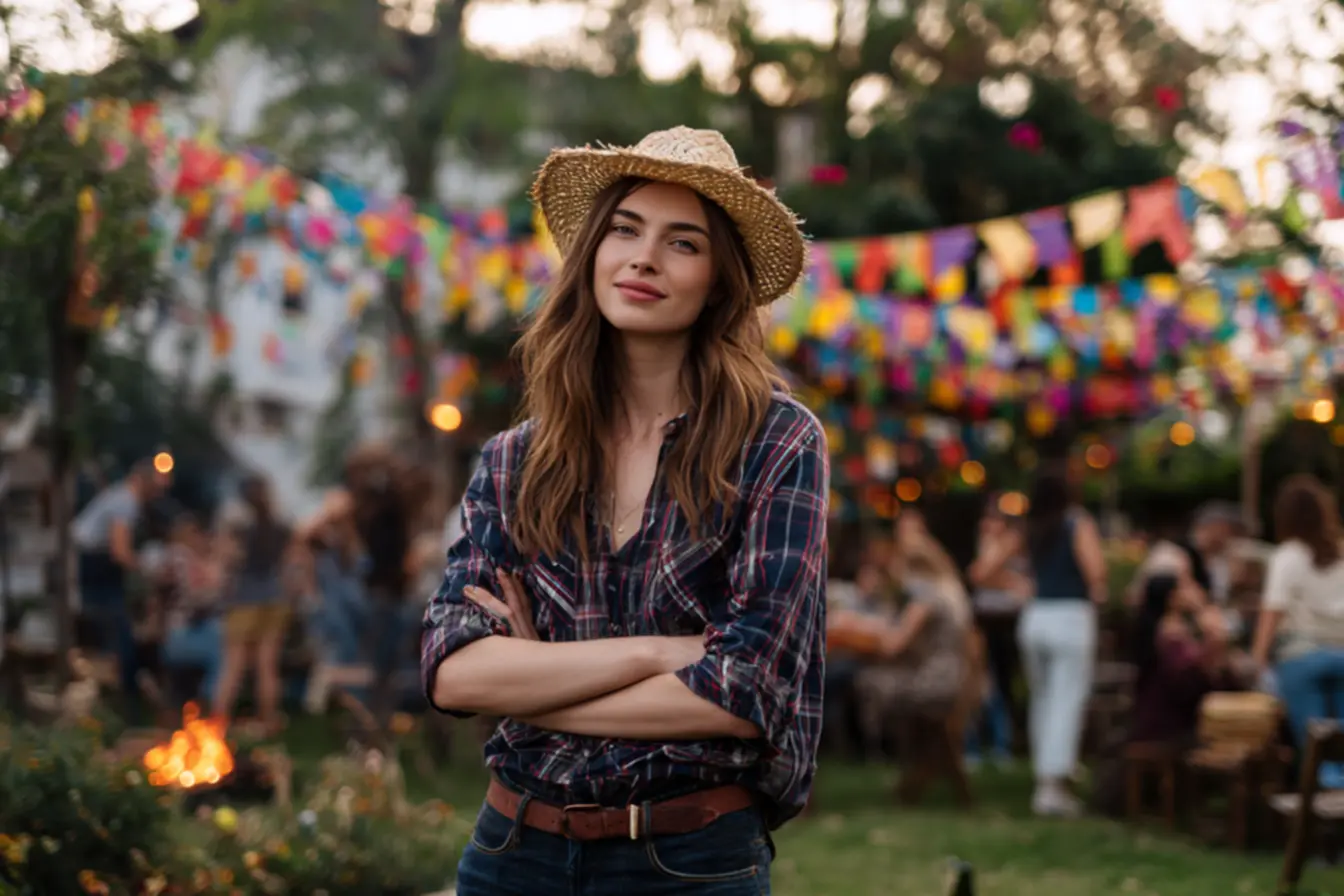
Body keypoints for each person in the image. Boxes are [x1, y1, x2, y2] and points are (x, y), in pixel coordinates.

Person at [421, 126, 826, 895]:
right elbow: (456, 673)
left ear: (719, 281)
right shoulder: (514, 460)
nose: (644, 258)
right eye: (625, 230)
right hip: (513, 854)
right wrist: (658, 653)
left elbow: (748, 693)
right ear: (593, 254)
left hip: (689, 860)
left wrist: (536, 685)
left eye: (683, 243)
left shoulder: (776, 441)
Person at [971, 467, 1107, 817]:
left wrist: (1020, 585)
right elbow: (1096, 573)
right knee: (1066, 700)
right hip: (1070, 616)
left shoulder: (1028, 529)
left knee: (1044, 700)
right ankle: (1053, 786)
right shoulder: (1077, 523)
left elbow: (982, 571)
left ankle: (1047, 777)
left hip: (1034, 619)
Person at [1251, 475, 1344, 788]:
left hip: (1301, 657)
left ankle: (1322, 805)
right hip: (1341, 655)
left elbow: (1272, 612)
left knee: (1314, 747)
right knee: (1340, 744)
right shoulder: (1340, 553)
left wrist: (1258, 660)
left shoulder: (1288, 556)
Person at [73, 459, 170, 703]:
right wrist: (146, 570)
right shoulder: (126, 502)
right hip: (93, 566)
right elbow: (120, 551)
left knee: (109, 630)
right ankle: (125, 695)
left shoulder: (118, 496)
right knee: (117, 632)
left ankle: (116, 691)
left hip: (93, 565)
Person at [212, 474, 297, 733]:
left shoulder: (239, 526)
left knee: (234, 664)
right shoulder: (280, 526)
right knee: (267, 665)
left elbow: (226, 558)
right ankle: (268, 720)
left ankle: (217, 722)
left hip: (244, 598)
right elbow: (291, 562)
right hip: (275, 597)